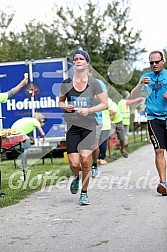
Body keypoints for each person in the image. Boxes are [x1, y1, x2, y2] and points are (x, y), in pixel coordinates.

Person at [58, 49, 108, 205]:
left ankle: (84, 193)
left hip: (89, 126)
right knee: (74, 164)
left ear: (87, 62)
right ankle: (76, 177)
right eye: (75, 59)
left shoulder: (94, 83)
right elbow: (60, 102)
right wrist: (65, 107)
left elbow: (104, 104)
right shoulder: (66, 83)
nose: (78, 61)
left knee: (85, 161)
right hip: (73, 126)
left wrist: (89, 110)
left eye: (81, 59)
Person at [131, 50, 167, 196]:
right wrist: (140, 84)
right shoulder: (145, 77)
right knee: (159, 150)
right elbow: (133, 96)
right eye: (151, 62)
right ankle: (163, 182)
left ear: (162, 61)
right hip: (153, 118)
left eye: (156, 62)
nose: (154, 65)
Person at [86, 65, 107, 177]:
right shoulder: (77, 83)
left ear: (90, 72)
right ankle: (84, 167)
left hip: (95, 118)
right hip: (80, 119)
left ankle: (94, 164)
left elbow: (104, 102)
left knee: (94, 145)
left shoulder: (99, 84)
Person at [98, 97, 113, 164]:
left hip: (97, 122)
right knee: (103, 141)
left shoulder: (95, 98)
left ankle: (97, 157)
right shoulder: (108, 100)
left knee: (97, 142)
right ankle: (102, 158)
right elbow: (112, 112)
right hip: (106, 123)